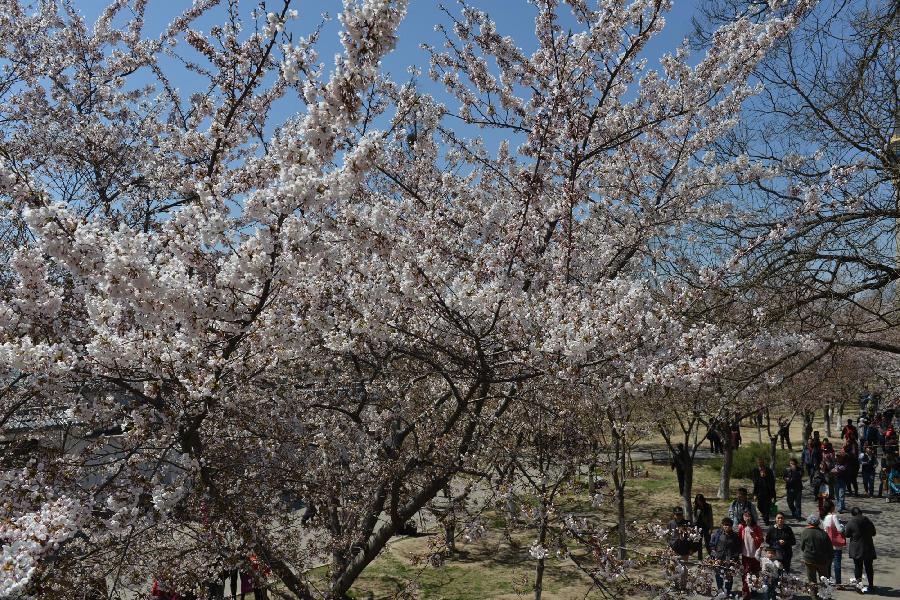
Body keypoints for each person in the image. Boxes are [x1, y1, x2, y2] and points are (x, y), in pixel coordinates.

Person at [799, 514, 832, 600]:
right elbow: (829, 548)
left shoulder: (805, 532)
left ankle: (814, 596)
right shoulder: (823, 533)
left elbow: (802, 547)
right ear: (818, 523)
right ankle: (825, 596)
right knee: (824, 580)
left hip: (809, 560)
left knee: (812, 580)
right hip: (822, 561)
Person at [844, 506, 876, 593]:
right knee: (869, 567)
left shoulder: (851, 522)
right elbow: (874, 533)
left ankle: (859, 587)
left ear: (853, 514)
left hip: (857, 549)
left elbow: (846, 534)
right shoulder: (868, 521)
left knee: (858, 567)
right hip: (868, 547)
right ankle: (871, 585)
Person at [710, 517, 741, 598]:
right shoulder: (717, 533)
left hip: (730, 559)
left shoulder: (735, 536)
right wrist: (714, 554)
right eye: (724, 525)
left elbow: (738, 548)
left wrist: (734, 558)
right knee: (718, 575)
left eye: (728, 525)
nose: (726, 527)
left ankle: (728, 591)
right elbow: (712, 544)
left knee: (729, 576)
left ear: (731, 526)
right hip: (718, 558)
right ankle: (720, 590)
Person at [667, 506, 694, 590]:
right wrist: (669, 547)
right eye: (677, 514)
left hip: (684, 549)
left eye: (680, 514)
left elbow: (692, 537)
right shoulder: (670, 523)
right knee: (672, 567)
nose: (679, 516)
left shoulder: (687, 523)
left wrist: (691, 548)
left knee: (683, 569)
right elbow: (667, 536)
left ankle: (683, 586)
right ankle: (675, 585)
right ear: (674, 515)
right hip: (673, 549)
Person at [738, 510, 763, 600]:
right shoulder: (741, 527)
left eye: (749, 516)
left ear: (752, 517)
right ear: (743, 518)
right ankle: (745, 592)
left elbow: (761, 541)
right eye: (745, 516)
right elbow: (739, 540)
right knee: (745, 574)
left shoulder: (756, 528)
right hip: (745, 555)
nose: (747, 518)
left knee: (755, 573)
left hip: (755, 555)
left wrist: (755, 537)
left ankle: (755, 590)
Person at [822, 500, 845, 585]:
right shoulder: (834, 516)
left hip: (827, 544)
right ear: (832, 507)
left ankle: (828, 581)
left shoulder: (824, 518)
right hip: (836, 544)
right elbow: (840, 529)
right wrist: (843, 526)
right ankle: (838, 583)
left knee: (828, 564)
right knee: (837, 563)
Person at [752, 457, 776, 525]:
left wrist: (774, 495)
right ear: (757, 463)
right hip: (759, 492)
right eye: (759, 463)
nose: (761, 464)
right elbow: (754, 482)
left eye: (762, 462)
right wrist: (755, 494)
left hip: (768, 492)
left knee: (767, 507)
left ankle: (766, 520)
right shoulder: (755, 471)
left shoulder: (769, 470)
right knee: (759, 506)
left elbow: (772, 482)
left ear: (764, 463)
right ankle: (765, 515)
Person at [693, 493, 714, 560]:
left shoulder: (708, 506)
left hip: (706, 526)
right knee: (699, 544)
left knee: (708, 543)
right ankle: (700, 559)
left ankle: (712, 557)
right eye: (698, 501)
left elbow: (711, 517)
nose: (699, 502)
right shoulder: (695, 507)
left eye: (700, 500)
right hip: (698, 527)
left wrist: (711, 528)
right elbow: (694, 518)